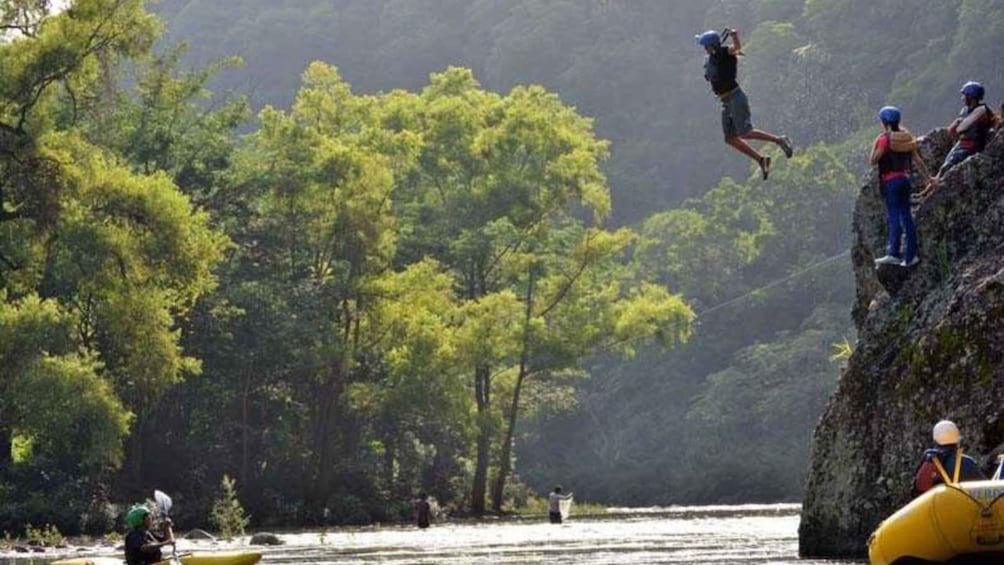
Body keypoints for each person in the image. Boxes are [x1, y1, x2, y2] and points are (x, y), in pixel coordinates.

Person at [696, 29, 794, 180]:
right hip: (726, 102)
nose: (704, 49)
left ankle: (779, 140)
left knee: (745, 132)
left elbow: (736, 49)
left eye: (706, 46)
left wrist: (735, 36)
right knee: (730, 138)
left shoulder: (725, 52)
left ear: (713, 45)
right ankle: (761, 160)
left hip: (736, 98)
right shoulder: (711, 59)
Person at [869, 106, 934, 268]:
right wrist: (929, 179)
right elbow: (917, 160)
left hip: (891, 181)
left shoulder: (884, 139)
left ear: (884, 122)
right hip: (905, 179)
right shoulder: (906, 138)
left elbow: (873, 160)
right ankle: (911, 256)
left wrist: (877, 143)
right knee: (906, 216)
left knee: (894, 216)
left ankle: (894, 254)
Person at [925, 81, 996, 191]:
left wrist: (959, 124)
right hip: (963, 143)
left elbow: (962, 128)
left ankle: (933, 191)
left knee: (948, 167)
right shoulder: (965, 110)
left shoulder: (981, 110)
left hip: (973, 144)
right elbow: (952, 131)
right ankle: (926, 192)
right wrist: (956, 125)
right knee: (944, 166)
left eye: (964, 95)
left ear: (971, 96)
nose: (962, 98)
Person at [912, 420, 984, 497]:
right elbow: (985, 489)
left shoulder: (929, 461)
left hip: (936, 507)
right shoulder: (968, 462)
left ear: (935, 438)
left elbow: (916, 490)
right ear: (957, 438)